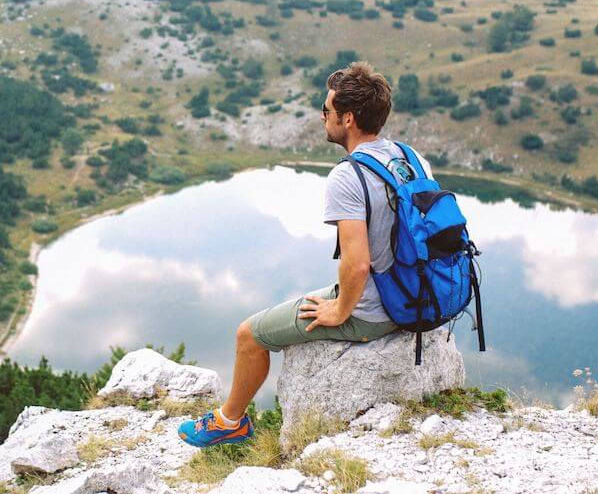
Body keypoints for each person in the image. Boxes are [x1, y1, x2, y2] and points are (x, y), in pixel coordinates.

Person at [178, 61, 433, 447]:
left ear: (347, 119)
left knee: (249, 335)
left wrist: (340, 310)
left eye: (327, 111)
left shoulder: (349, 176)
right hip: (416, 297)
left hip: (376, 312)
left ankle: (229, 423)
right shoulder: (409, 157)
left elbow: (358, 263)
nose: (322, 117)